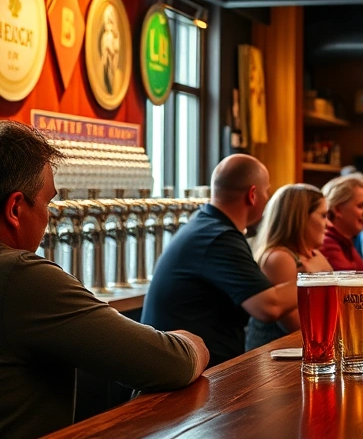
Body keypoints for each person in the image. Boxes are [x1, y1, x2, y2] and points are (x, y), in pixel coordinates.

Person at [0, 121, 208, 438]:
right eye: (47, 202)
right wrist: (193, 341)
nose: (49, 217)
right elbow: (172, 364)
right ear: (15, 208)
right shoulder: (20, 276)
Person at [143, 154, 297, 367]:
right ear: (253, 194)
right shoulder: (218, 237)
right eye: (267, 191)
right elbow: (268, 307)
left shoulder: (207, 226)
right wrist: (321, 281)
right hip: (182, 380)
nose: (267, 198)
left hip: (191, 368)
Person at [245, 184, 333, 351]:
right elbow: (298, 327)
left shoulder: (314, 255)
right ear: (300, 218)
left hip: (307, 353)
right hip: (274, 361)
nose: (328, 224)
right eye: (323, 215)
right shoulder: (279, 258)